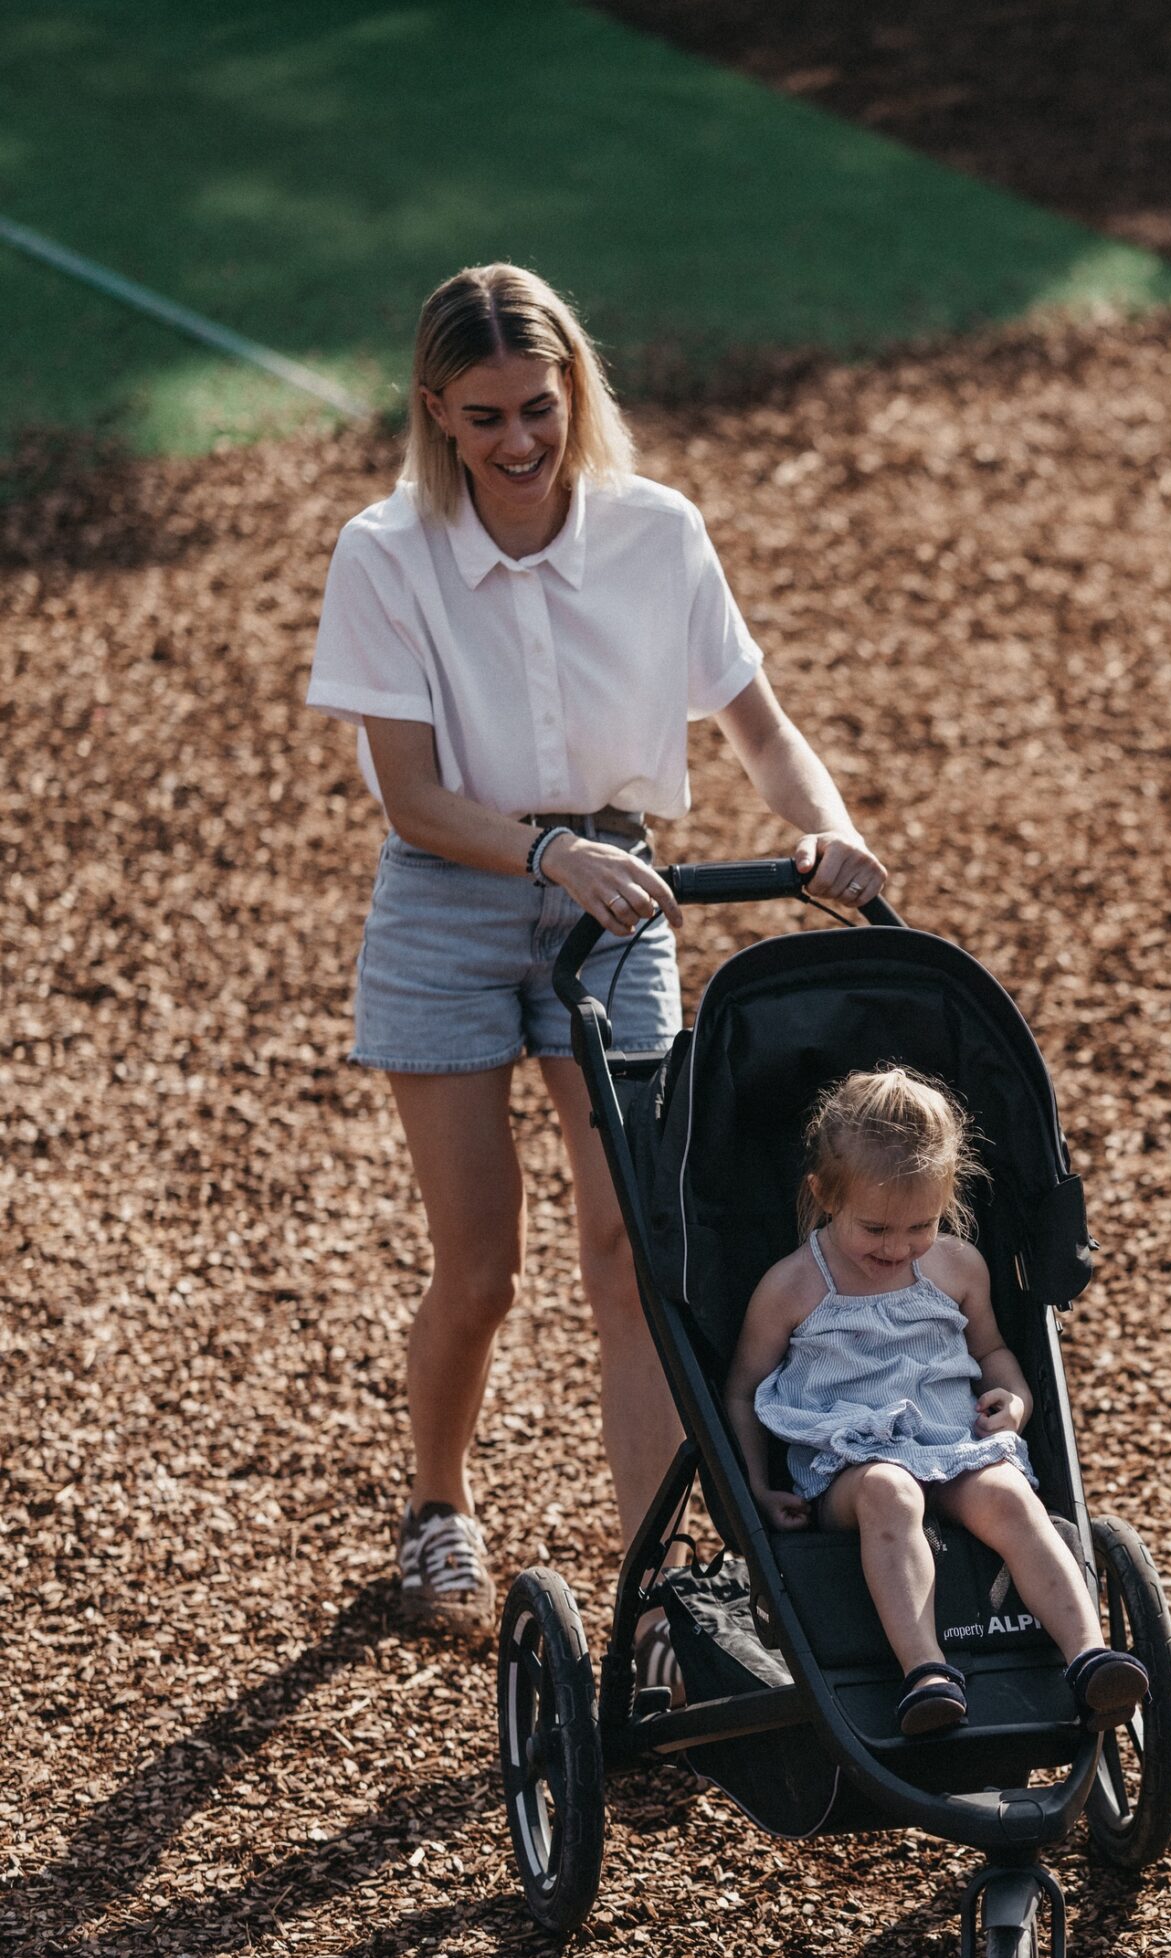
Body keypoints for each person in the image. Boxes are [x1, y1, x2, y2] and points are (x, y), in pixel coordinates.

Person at [306, 262, 886, 1639]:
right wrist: (541, 853)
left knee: (631, 1247)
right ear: (437, 410)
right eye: (487, 416)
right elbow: (410, 798)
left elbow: (758, 724)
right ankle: (437, 1506)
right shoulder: (384, 553)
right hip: (452, 898)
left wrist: (829, 832)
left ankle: (661, 1588)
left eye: (540, 411)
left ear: (576, 394)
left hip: (621, 895)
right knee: (482, 1268)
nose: (518, 444)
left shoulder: (655, 532)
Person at [725, 1067, 1149, 1735]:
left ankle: (1089, 1656)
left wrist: (1013, 1396)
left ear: (947, 1199)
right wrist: (753, 1484)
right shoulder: (794, 1286)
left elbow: (993, 1354)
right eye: (875, 1228)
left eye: (919, 1225)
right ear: (823, 1195)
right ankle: (926, 1671)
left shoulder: (957, 1266)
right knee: (892, 1492)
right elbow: (745, 1389)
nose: (896, 1248)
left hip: (950, 1441)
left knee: (1009, 1494)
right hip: (848, 1465)